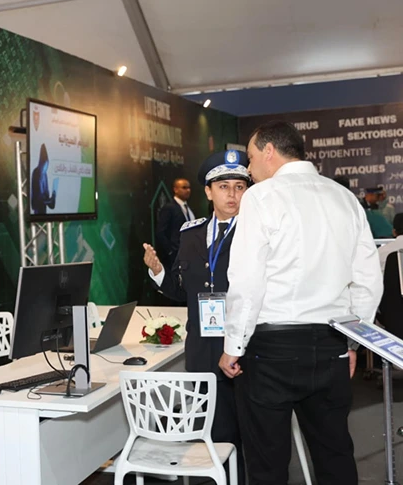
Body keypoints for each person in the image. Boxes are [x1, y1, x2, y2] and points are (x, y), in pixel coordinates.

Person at [219, 121, 382, 485]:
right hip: (331, 345)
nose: (248, 169)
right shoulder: (344, 198)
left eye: (250, 158)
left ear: (269, 152)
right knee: (335, 457)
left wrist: (233, 346)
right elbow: (369, 280)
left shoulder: (260, 197)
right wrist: (352, 342)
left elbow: (247, 280)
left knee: (268, 465)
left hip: (270, 350)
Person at [143, 149, 250, 485]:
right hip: (203, 350)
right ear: (208, 191)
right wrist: (158, 271)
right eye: (224, 187)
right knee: (214, 434)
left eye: (239, 187)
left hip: (245, 350)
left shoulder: (256, 232)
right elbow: (180, 290)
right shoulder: (190, 233)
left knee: (251, 435)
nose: (232, 195)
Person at [155, 178, 194, 269]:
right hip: (175, 256)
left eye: (189, 188)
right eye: (184, 188)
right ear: (175, 189)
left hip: (189, 254)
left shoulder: (189, 208)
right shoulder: (169, 208)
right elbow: (160, 232)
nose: (188, 190)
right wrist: (170, 251)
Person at [30, 143, 56, 215]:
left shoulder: (45, 175)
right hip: (37, 212)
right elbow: (37, 200)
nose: (45, 168)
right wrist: (49, 201)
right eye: (44, 165)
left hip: (44, 212)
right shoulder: (36, 173)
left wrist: (53, 198)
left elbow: (50, 204)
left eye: (47, 165)